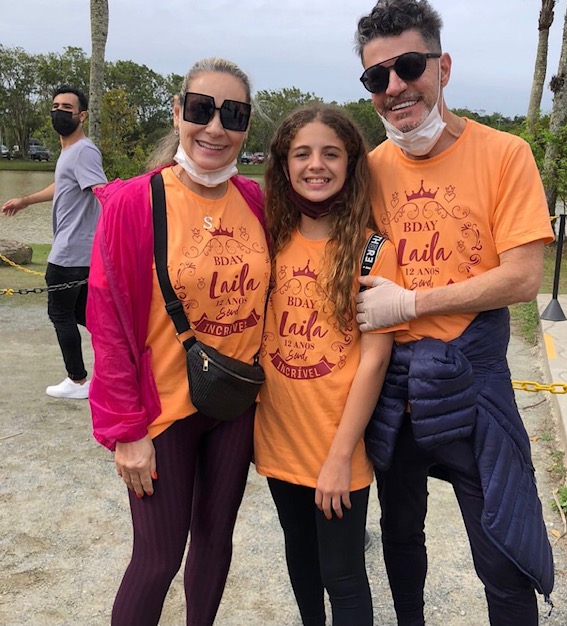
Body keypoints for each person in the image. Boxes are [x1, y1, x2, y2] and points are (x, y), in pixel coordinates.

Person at [353, 0, 556, 626]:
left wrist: (414, 301)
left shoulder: (505, 155)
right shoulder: (369, 170)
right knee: (401, 535)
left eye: (407, 66)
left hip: (471, 376)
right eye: (375, 77)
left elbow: (522, 277)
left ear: (442, 66)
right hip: (394, 383)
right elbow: (363, 252)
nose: (394, 87)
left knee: (502, 548)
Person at [86, 58, 270, 626]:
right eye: (201, 109)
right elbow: (109, 323)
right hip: (163, 412)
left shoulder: (256, 203)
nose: (215, 127)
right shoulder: (135, 202)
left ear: (245, 128)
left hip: (234, 403)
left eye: (233, 114)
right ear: (178, 111)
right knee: (158, 557)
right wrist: (126, 431)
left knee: (216, 544)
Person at [254, 104, 403, 626]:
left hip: (337, 444)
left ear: (350, 163)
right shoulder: (268, 238)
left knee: (342, 573)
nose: (316, 165)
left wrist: (340, 456)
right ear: (284, 163)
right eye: (302, 153)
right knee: (300, 557)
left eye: (330, 153)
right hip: (278, 436)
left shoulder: (371, 249)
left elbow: (374, 359)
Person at [2, 85, 106, 399]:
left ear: (82, 116)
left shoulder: (84, 150)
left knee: (61, 314)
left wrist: (114, 238)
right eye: (56, 106)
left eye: (67, 107)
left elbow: (100, 191)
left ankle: (77, 381)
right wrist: (26, 200)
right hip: (78, 251)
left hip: (70, 253)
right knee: (85, 315)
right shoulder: (70, 152)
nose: (59, 112)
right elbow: (62, 186)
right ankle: (123, 361)